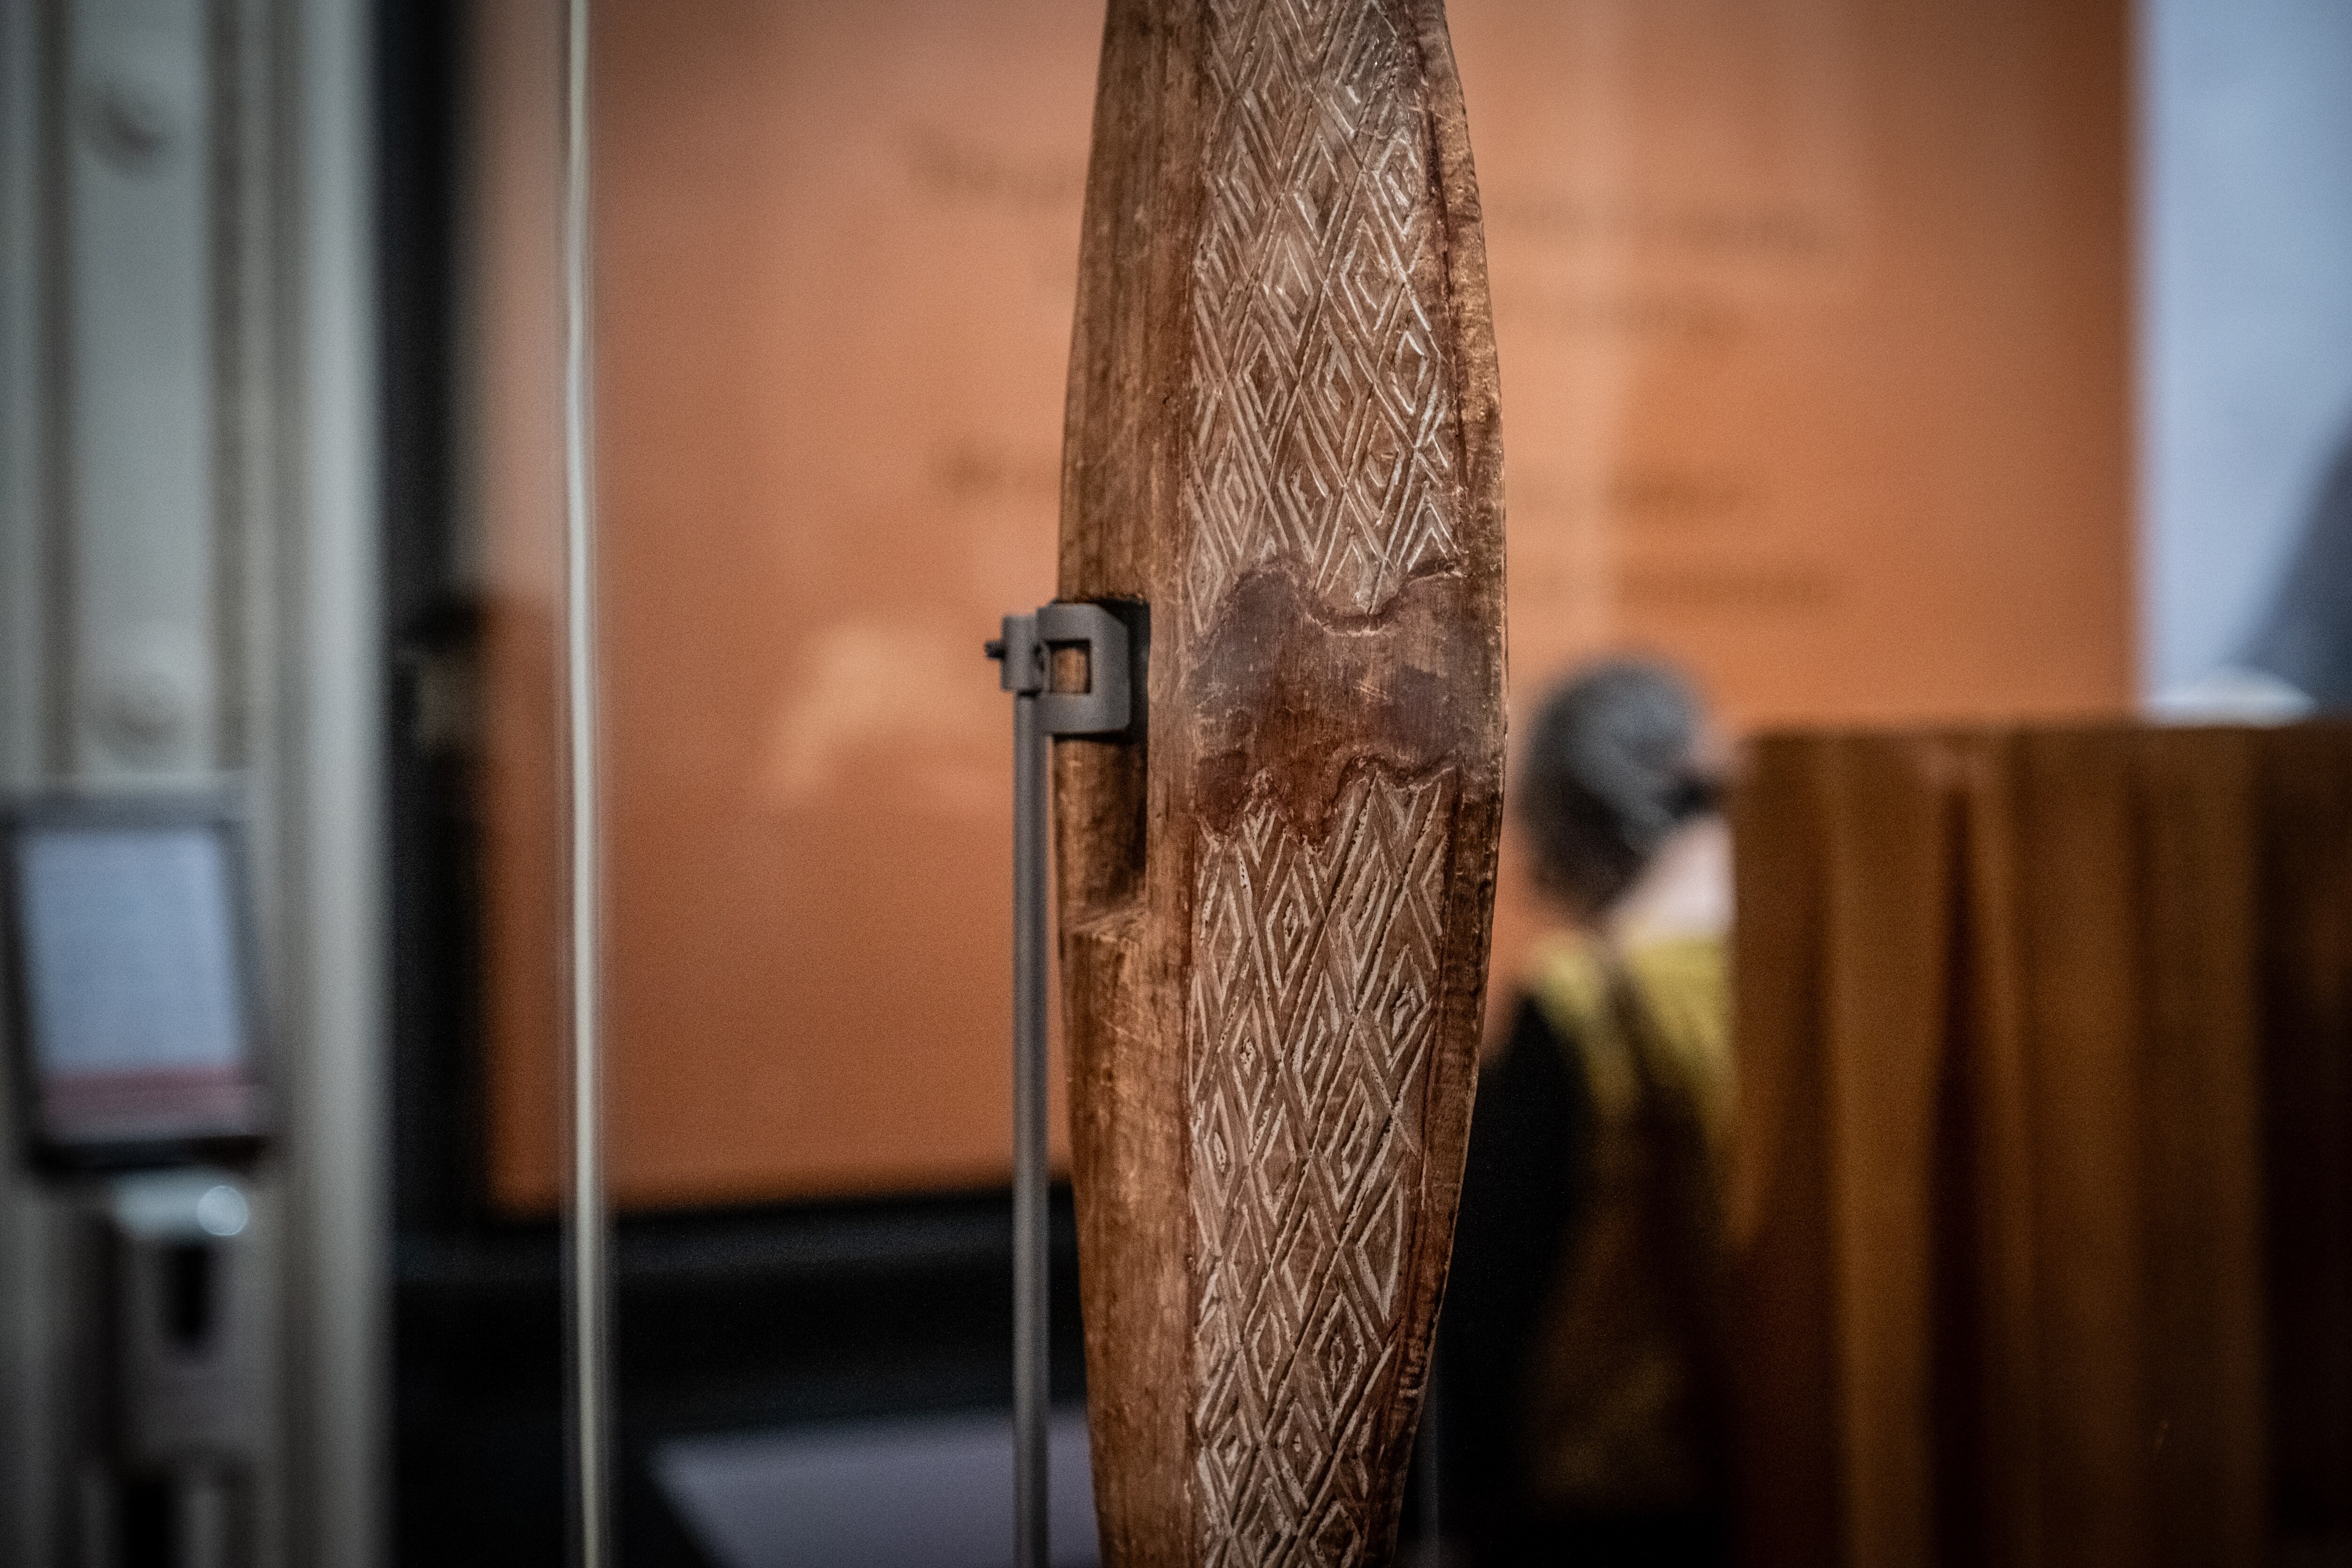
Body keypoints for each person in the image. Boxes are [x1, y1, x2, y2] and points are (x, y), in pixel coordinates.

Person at [1438, 657, 1734, 1566]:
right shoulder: (1817, 967)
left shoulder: (1582, 1000)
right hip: (1808, 1452)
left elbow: (1499, 1294)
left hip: (1619, 1483)